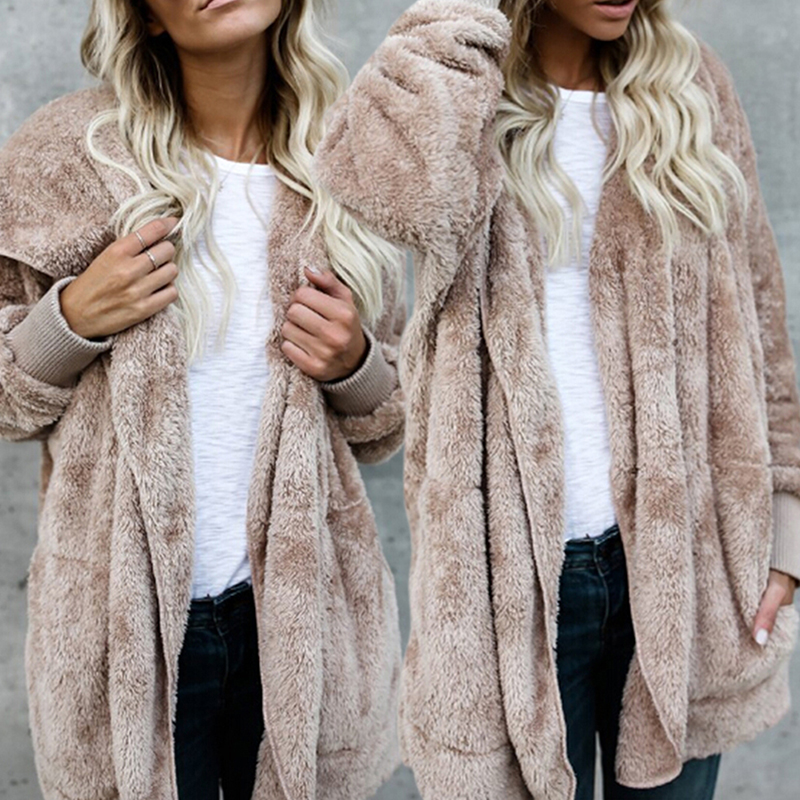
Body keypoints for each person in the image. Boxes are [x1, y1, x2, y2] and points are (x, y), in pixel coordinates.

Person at [313, 0, 800, 798]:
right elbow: (378, 190)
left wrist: (786, 531)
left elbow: (759, 320)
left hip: (682, 566)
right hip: (512, 586)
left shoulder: (690, 87)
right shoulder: (463, 95)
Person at [0, 1, 406, 798]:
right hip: (126, 629)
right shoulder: (68, 157)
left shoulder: (348, 164)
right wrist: (71, 318)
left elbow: (386, 423)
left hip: (302, 619)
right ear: (146, 17)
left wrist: (354, 364)